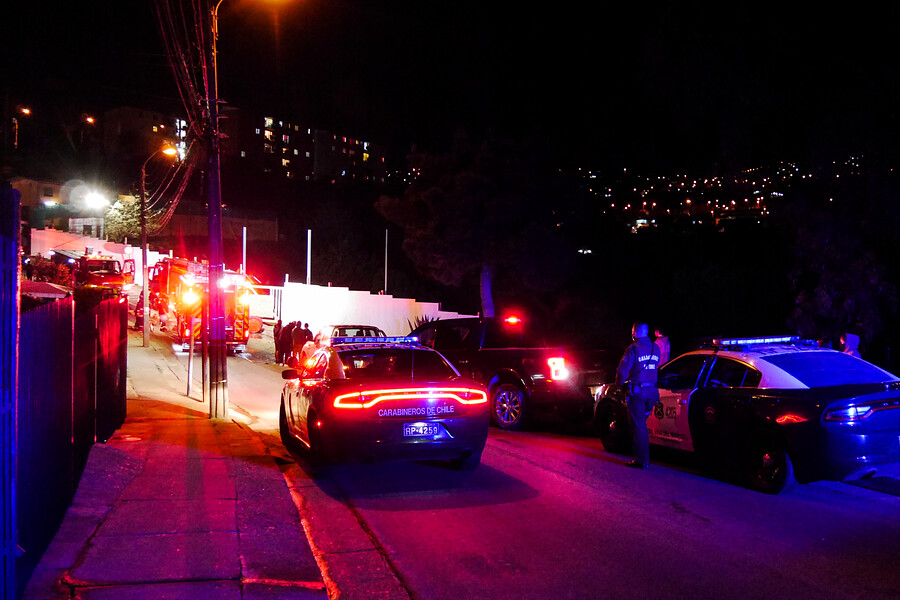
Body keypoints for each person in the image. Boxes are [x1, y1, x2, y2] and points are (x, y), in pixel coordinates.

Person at [615, 322, 661, 469]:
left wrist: (619, 383)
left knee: (638, 426)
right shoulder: (656, 347)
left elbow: (622, 371)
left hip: (638, 393)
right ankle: (644, 457)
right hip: (653, 393)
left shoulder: (633, 348)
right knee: (642, 424)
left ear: (634, 332)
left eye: (632, 331)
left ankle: (641, 460)